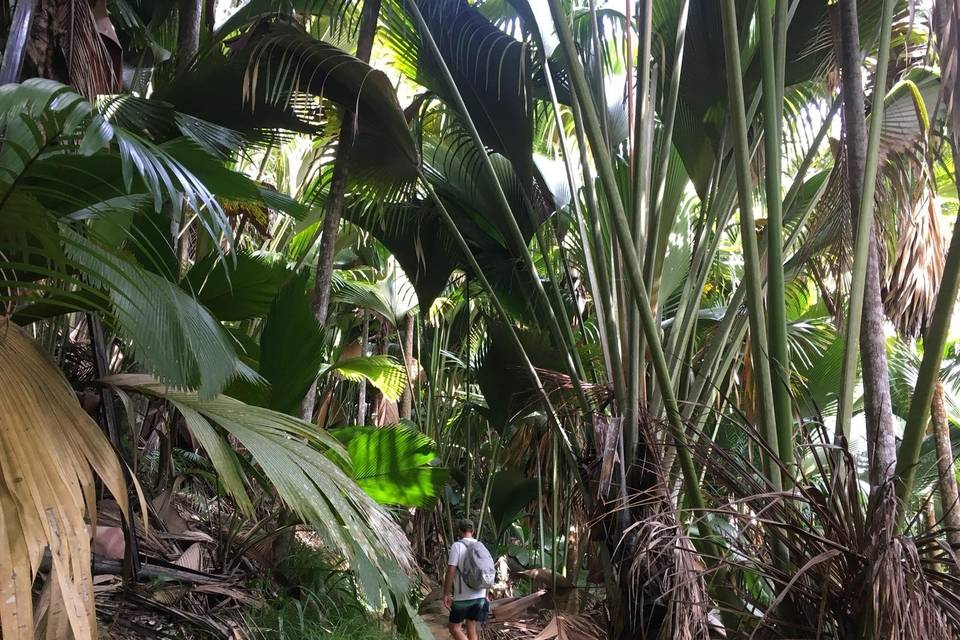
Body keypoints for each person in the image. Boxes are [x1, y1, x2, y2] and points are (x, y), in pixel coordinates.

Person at [443, 519, 490, 640]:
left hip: (463, 597)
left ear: (459, 531)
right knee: (471, 626)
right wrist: (486, 594)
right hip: (480, 595)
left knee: (454, 628)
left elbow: (451, 571)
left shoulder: (457, 546)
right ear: (473, 531)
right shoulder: (481, 546)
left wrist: (446, 593)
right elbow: (487, 570)